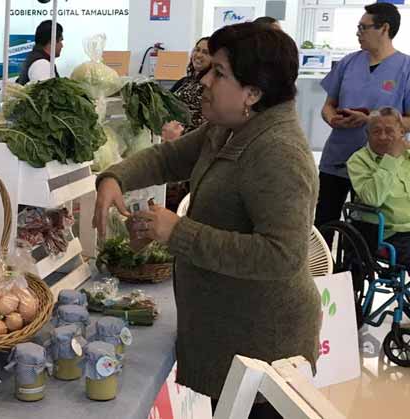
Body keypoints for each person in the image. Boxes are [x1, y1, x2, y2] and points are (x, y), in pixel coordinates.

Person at [94, 23, 320, 419]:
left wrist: (177, 231)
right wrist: (115, 177)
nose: (204, 80)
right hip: (229, 331)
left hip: (263, 347)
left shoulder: (279, 152)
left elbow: (282, 255)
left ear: (252, 93)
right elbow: (169, 158)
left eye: (219, 72)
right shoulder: (229, 129)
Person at [315, 2, 410, 234]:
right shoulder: (348, 63)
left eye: (363, 27)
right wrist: (332, 119)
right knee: (324, 224)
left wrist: (370, 122)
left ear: (384, 28)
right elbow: (328, 106)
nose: (358, 33)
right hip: (338, 157)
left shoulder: (405, 68)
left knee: (366, 230)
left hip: (379, 165)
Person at [348, 107, 410, 267]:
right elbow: (373, 199)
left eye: (389, 131)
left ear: (401, 132)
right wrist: (391, 158)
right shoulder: (358, 160)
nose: (382, 137)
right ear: (367, 135)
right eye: (376, 132)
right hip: (387, 234)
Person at [163, 37, 211, 211]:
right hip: (172, 147)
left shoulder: (212, 87)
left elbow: (206, 123)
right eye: (197, 49)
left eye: (205, 52)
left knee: (181, 206)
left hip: (192, 152)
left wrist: (179, 136)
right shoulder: (184, 82)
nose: (198, 55)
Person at [16, 20, 63, 85]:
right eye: (60, 41)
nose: (62, 45)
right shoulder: (42, 65)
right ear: (52, 41)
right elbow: (46, 90)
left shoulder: (35, 57)